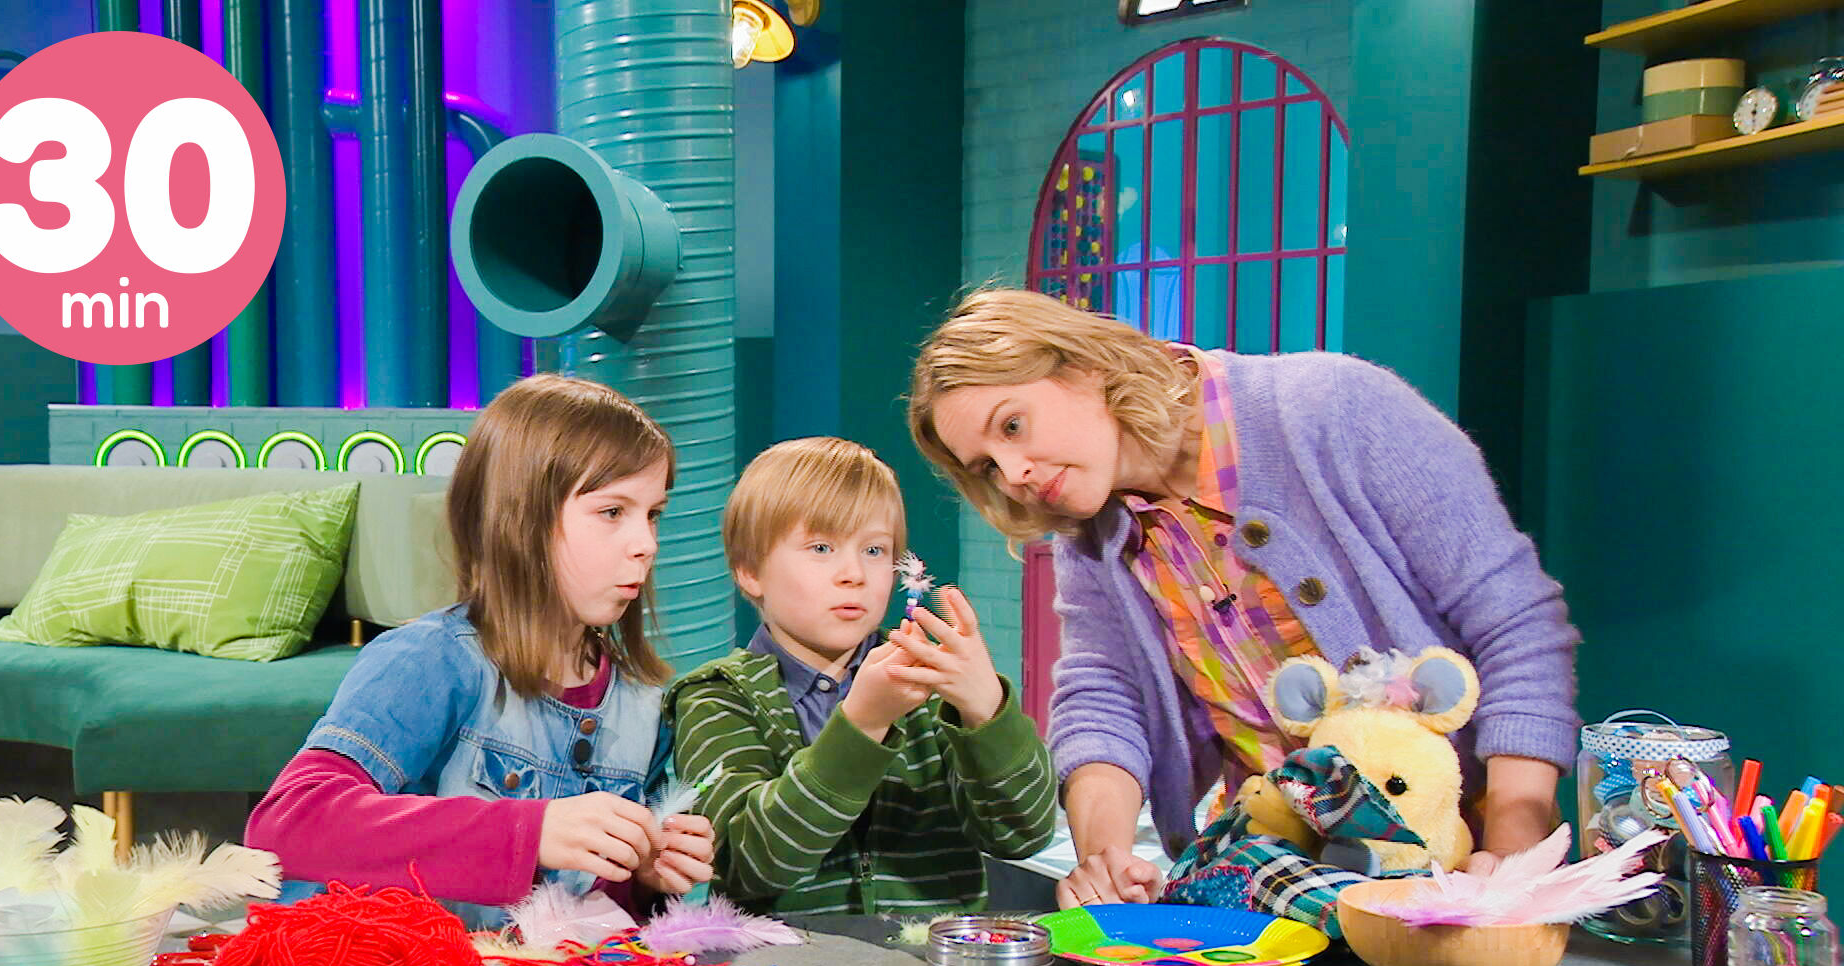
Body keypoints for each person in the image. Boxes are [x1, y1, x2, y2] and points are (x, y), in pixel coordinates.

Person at [907, 289, 1577, 909]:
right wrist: (1104, 860)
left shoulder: (1333, 407)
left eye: (1013, 425)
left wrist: (1511, 852)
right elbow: (1105, 699)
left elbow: (1516, 623)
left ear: (1083, 365)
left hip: (1460, 863)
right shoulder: (1092, 538)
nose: (1015, 474)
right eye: (987, 466)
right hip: (1282, 881)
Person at [246, 375, 713, 919]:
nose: (646, 544)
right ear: (521, 520)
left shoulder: (643, 703)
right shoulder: (432, 661)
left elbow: (591, 917)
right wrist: (526, 834)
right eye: (613, 512)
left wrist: (645, 878)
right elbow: (287, 827)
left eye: (653, 514)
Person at [667, 437, 1055, 915]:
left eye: (874, 550)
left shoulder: (929, 684)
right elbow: (750, 863)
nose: (854, 573)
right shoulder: (715, 697)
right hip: (786, 961)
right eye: (821, 547)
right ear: (750, 571)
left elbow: (1023, 834)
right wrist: (864, 724)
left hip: (933, 959)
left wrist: (986, 712)